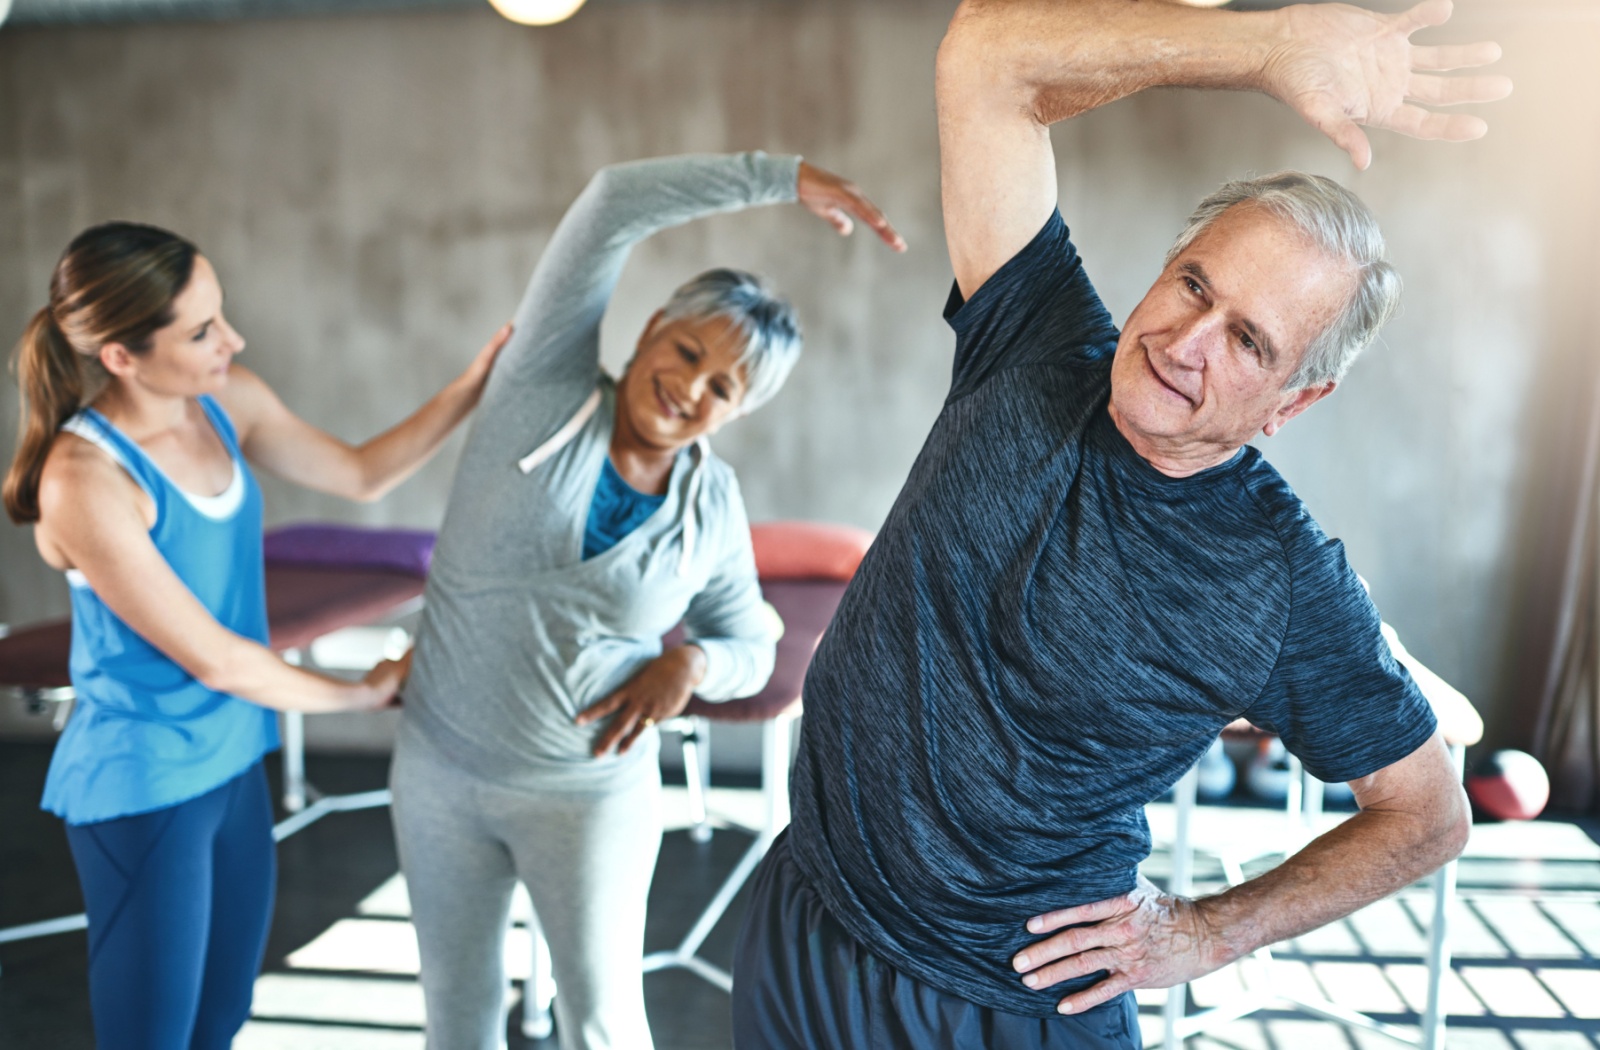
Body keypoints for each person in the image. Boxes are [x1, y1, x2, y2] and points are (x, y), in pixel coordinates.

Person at [731, 1, 1512, 1047]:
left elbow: (1427, 814)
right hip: (809, 916)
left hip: (1000, 1004)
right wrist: (1262, 49)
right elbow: (984, 54)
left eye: (1248, 341)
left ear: (1292, 403)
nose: (1185, 340)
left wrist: (1204, 933)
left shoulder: (1278, 578)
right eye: (1193, 283)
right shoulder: (1032, 337)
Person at [389, 151, 903, 1050]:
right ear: (655, 323)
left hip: (586, 798)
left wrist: (691, 662)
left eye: (723, 387)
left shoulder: (709, 504)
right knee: (457, 1024)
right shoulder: (539, 392)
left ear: (737, 412)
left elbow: (754, 637)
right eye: (688, 349)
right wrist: (780, 179)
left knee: (603, 1026)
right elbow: (610, 204)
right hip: (438, 772)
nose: (690, 385)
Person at [2, 220, 510, 1050]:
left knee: (222, 1019)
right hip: (146, 778)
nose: (232, 340)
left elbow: (361, 472)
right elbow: (215, 657)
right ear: (121, 356)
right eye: (202, 331)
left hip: (234, 759)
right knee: (152, 1039)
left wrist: (473, 384)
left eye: (221, 314)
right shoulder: (84, 478)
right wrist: (364, 690)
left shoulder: (225, 401)